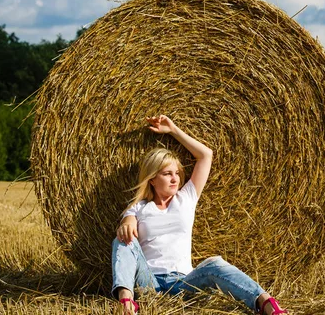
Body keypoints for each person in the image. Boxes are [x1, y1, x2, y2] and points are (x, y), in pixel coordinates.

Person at [112, 115, 288, 314]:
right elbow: (127, 228)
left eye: (177, 173)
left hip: (184, 283)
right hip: (148, 283)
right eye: (167, 173)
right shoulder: (139, 208)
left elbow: (205, 155)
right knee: (122, 240)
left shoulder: (186, 198)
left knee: (215, 263)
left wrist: (173, 130)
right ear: (152, 179)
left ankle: (265, 303)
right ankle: (126, 304)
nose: (175, 178)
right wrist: (127, 223)